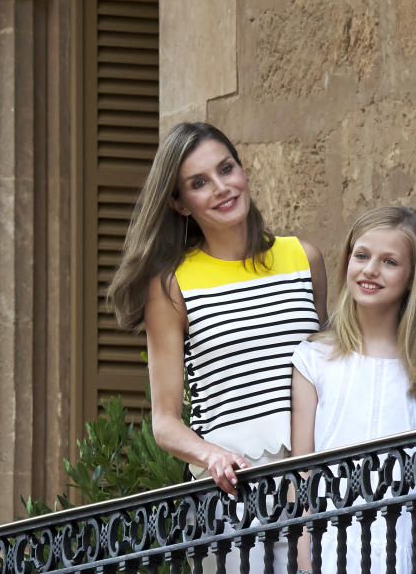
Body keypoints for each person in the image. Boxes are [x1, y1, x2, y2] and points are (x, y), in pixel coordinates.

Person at [107, 121, 327, 572]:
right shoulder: (171, 286)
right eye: (199, 183)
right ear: (179, 203)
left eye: (227, 169)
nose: (223, 188)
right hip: (235, 498)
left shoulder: (304, 258)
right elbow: (165, 423)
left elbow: (328, 373)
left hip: (318, 482)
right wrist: (212, 456)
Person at [290, 206, 416, 574]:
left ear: (412, 277)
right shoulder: (314, 357)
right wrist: (303, 545)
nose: (370, 269)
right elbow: (303, 471)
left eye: (390, 261)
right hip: (332, 540)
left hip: (408, 540)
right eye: (362, 255)